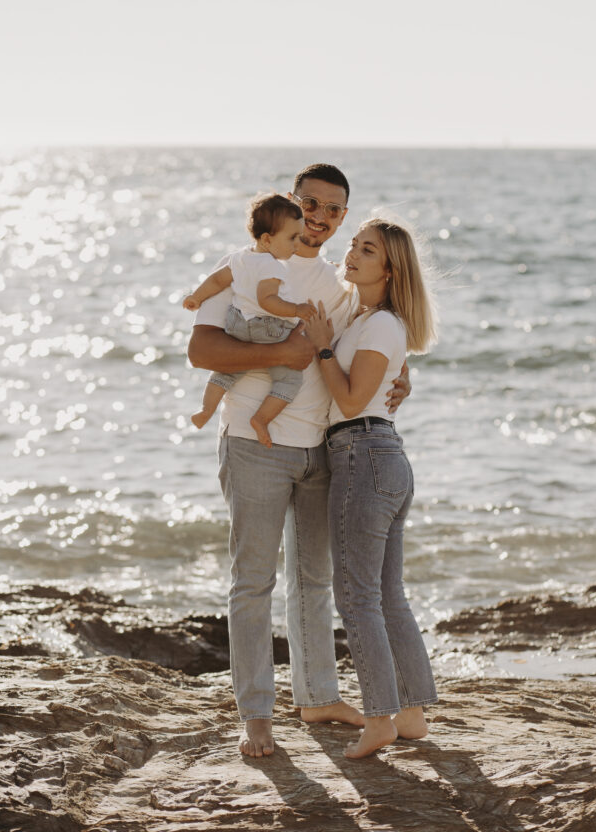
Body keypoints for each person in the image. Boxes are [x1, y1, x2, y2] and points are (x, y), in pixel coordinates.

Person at [187, 164, 410, 758]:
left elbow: (366, 347)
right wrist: (279, 349)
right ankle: (256, 715)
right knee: (253, 583)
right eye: (310, 203)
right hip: (254, 446)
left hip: (322, 452)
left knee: (315, 581)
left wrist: (400, 373)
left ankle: (315, 696)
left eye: (334, 209)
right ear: (292, 202)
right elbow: (201, 349)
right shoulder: (248, 263)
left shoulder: (339, 288)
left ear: (341, 219)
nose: (320, 216)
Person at [304, 217, 438, 759]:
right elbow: (377, 387)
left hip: (363, 453)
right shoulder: (367, 321)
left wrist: (322, 350)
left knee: (358, 597)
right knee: (385, 594)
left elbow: (354, 399)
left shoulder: (381, 324)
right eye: (354, 245)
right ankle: (410, 713)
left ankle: (379, 717)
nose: (351, 255)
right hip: (379, 455)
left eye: (366, 250)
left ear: (390, 268)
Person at [183, 193, 315, 447]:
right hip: (267, 327)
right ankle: (261, 420)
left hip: (237, 324)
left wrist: (196, 298)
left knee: (227, 371)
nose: (297, 244)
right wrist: (296, 310)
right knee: (290, 380)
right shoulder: (273, 265)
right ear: (267, 239)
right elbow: (267, 300)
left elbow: (217, 281)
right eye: (292, 238)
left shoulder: (240, 257)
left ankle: (205, 411)